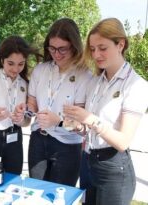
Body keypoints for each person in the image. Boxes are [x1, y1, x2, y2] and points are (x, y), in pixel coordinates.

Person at [63, 18, 148, 205]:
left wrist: (90, 119)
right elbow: (91, 130)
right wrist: (77, 126)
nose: (96, 54)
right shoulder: (95, 82)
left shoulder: (137, 86)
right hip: (88, 162)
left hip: (114, 169)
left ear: (121, 44)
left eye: (102, 48)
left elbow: (122, 141)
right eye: (92, 49)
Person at [25, 18, 92, 186]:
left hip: (67, 146)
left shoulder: (85, 76)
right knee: (36, 192)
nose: (57, 54)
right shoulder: (41, 70)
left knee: (60, 196)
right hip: (38, 140)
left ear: (74, 46)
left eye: (63, 49)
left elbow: (81, 126)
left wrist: (59, 122)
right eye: (52, 48)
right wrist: (25, 111)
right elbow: (32, 104)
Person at [0, 36, 40, 174]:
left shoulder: (25, 84)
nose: (15, 69)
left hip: (15, 137)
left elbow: (27, 120)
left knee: (13, 180)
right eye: (10, 63)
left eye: (21, 64)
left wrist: (21, 119)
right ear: (2, 60)